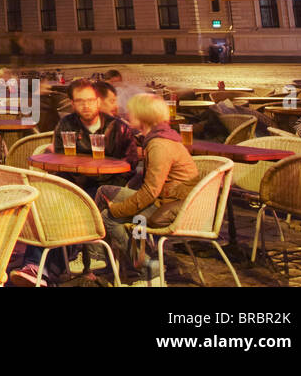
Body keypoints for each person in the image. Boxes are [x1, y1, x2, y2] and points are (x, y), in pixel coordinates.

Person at [96, 93, 200, 284]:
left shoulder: (159, 145)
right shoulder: (160, 137)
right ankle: (103, 257)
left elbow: (151, 191)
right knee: (105, 192)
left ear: (143, 115)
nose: (128, 114)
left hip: (172, 207)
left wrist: (118, 209)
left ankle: (147, 268)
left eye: (132, 111)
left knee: (109, 216)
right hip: (170, 200)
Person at [52, 78, 139, 189]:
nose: (86, 106)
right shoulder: (65, 124)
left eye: (90, 100)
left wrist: (108, 188)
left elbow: (130, 163)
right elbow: (60, 159)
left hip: (109, 186)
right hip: (76, 186)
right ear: (72, 104)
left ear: (98, 102)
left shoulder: (119, 128)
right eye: (79, 101)